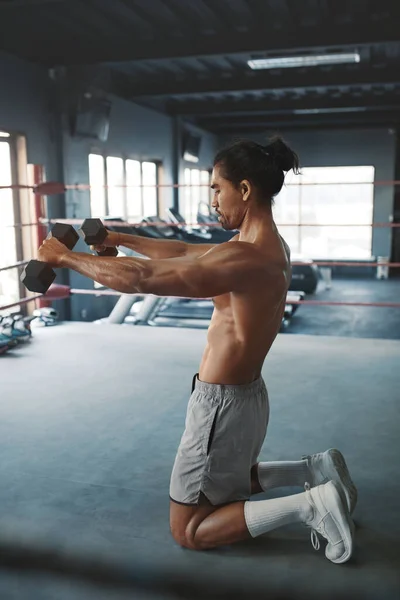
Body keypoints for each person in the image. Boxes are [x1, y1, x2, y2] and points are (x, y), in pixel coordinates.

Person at [38, 137, 357, 563]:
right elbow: (184, 251)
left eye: (216, 188)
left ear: (244, 190)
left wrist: (66, 258)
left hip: (221, 404)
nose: (212, 199)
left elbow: (141, 280)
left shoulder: (243, 258)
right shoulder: (266, 246)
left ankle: (311, 506)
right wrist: (118, 237)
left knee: (189, 528)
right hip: (248, 397)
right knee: (227, 480)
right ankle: (312, 470)